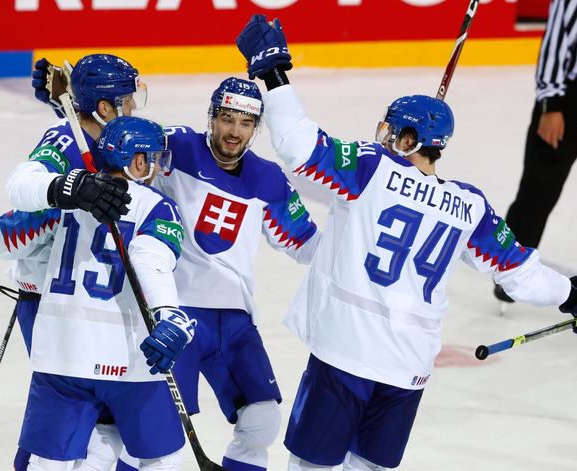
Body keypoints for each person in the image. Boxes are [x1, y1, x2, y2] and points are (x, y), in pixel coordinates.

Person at [235, 14, 577, 471]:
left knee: (312, 466)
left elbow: (299, 145)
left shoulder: (371, 169)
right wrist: (573, 294)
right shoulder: (469, 206)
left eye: (392, 129)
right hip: (408, 368)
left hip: (346, 352)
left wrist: (272, 74)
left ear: (409, 137)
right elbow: (522, 275)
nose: (384, 136)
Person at [31, 73, 322, 470]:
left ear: (257, 128)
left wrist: (356, 230)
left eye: (246, 122)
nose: (234, 131)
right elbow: (117, 143)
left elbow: (304, 243)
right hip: (175, 314)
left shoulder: (269, 179)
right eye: (227, 118)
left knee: (262, 420)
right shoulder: (177, 145)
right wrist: (77, 106)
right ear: (211, 116)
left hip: (234, 321)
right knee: (142, 439)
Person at [12, 115, 194, 471]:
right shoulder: (154, 204)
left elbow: (7, 242)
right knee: (163, 459)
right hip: (125, 358)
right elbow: (150, 261)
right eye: (154, 158)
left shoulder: (66, 197)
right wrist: (169, 314)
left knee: (49, 463)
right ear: (137, 161)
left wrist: (27, 279)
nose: (158, 167)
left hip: (60, 355)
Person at [0, 53, 143, 471]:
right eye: (127, 100)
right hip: (48, 297)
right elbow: (20, 185)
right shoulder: (63, 139)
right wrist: (69, 187)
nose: (133, 108)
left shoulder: (107, 137)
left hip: (90, 296)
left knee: (98, 416)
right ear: (104, 107)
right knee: (73, 414)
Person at [494, 0, 577, 304]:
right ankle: (510, 274)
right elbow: (556, 43)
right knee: (538, 190)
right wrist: (551, 105)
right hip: (568, 104)